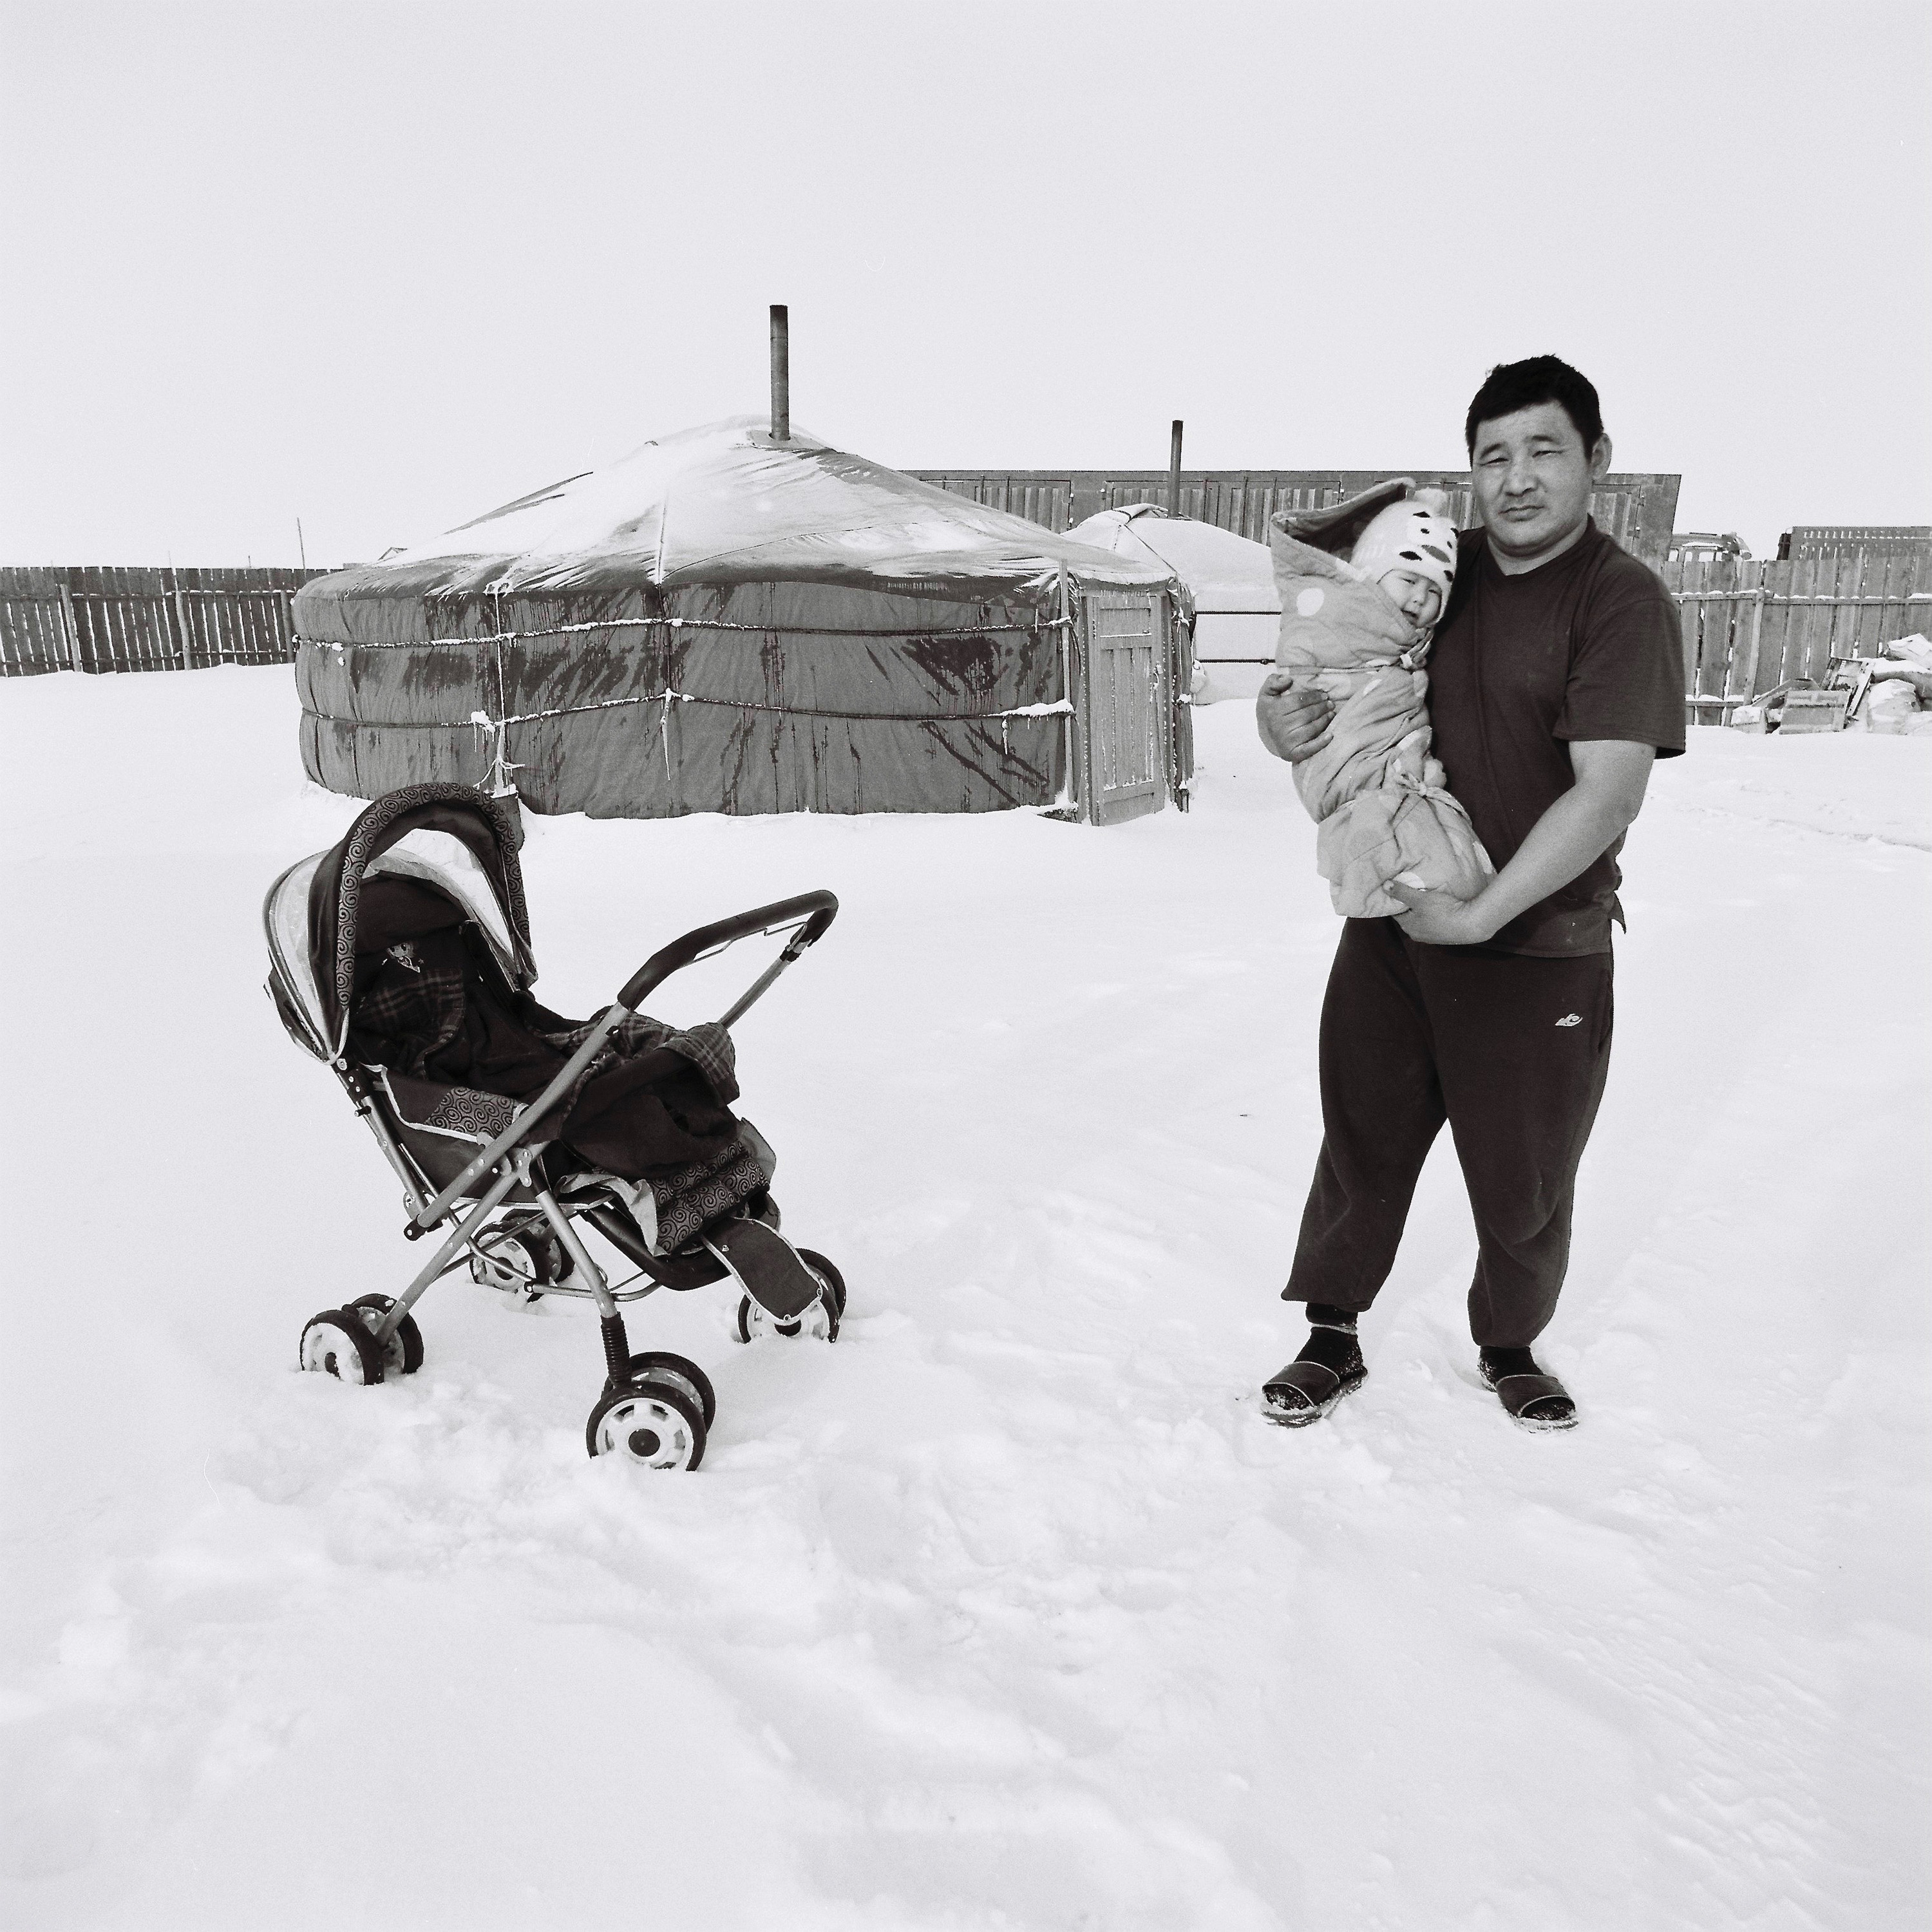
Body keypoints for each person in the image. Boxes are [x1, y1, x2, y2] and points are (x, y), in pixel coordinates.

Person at [1255, 356, 1685, 1432]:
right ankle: (1332, 1335)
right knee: (1361, 1137)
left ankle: (1508, 1342)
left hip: (1539, 939)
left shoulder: (1620, 600)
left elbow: (1610, 791)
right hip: (1402, 915)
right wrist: (1282, 723)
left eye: (1544, 450)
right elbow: (1337, 665)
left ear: (1596, 460)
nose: (1517, 479)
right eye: (1493, 457)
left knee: (1525, 1178)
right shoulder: (1437, 571)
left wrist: (1485, 915)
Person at [1269, 491, 1493, 916]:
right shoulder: (1344, 620)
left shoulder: (1406, 641)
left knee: (1426, 844)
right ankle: (1378, 881)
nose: (1419, 599)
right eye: (1408, 580)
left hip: (1386, 764)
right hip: (1348, 765)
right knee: (1411, 837)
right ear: (1370, 573)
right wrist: (1275, 718)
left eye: (1434, 592)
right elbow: (1305, 673)